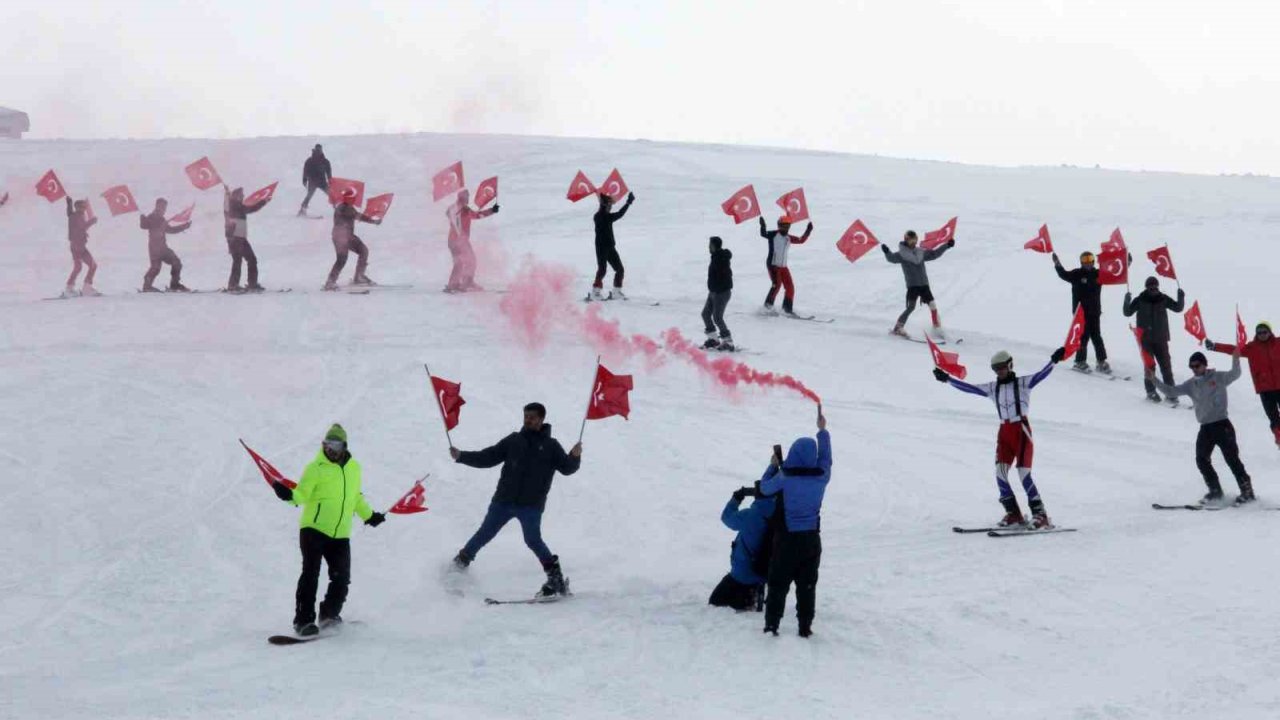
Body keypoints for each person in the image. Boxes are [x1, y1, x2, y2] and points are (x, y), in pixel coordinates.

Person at [450, 403, 584, 598]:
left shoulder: (551, 446)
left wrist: (574, 456)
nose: (527, 420)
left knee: (532, 540)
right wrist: (462, 456)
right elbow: (488, 457)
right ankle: (458, 567)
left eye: (532, 417)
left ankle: (555, 580)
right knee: (484, 534)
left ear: (541, 419)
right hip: (503, 501)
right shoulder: (514, 440)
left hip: (531, 506)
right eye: (526, 416)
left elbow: (567, 468)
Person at [269, 424, 385, 636]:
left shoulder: (354, 468)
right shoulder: (315, 468)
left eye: (335, 444)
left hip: (340, 533)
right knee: (311, 574)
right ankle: (303, 621)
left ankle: (329, 614)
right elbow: (301, 494)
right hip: (313, 529)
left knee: (341, 578)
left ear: (344, 446)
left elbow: (355, 497)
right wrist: (288, 495)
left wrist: (369, 515)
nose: (330, 448)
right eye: (327, 444)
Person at [934, 347, 1067, 529]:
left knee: (1024, 474)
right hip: (1004, 431)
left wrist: (1054, 360)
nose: (999, 371)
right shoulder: (993, 387)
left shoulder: (1023, 383)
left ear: (1010, 365)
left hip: (1021, 430)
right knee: (1000, 473)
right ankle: (1014, 514)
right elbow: (970, 388)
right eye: (996, 368)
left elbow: (1040, 375)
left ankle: (1040, 515)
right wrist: (947, 379)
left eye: (1002, 367)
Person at [755, 406, 831, 637]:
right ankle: (805, 627)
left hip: (786, 540)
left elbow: (764, 489)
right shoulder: (822, 476)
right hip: (811, 541)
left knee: (778, 584)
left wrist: (773, 465)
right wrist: (823, 431)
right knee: (807, 587)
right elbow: (826, 458)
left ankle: (771, 626)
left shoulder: (785, 478)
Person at [1148, 350, 1254, 504]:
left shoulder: (1218, 378)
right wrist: (1153, 379)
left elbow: (1235, 373)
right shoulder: (1191, 384)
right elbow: (1171, 391)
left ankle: (1247, 492)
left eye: (1197, 366)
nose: (1194, 369)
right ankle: (1215, 491)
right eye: (1191, 367)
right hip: (1205, 428)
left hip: (1222, 425)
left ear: (1204, 365)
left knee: (1232, 459)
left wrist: (1235, 358)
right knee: (1201, 459)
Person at [1206, 322, 1280, 448]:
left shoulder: (1278, 343)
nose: (1262, 335)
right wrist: (1215, 346)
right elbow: (1232, 349)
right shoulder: (1252, 348)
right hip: (1265, 389)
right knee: (1273, 417)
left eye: (1264, 332)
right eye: (1259, 332)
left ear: (1270, 332)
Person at [710, 484, 776, 612]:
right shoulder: (783, 516)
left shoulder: (751, 515)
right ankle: (754, 595)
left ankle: (747, 598)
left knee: (715, 602)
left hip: (741, 575)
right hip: (764, 574)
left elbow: (726, 517)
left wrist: (736, 498)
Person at [1123, 276, 1186, 404]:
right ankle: (1151, 392)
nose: (1153, 288)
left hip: (1161, 339)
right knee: (1149, 367)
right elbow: (1127, 312)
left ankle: (1171, 393)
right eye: (1150, 286)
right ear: (1146, 287)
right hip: (1145, 340)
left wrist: (1181, 297)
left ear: (1158, 286)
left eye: (1155, 286)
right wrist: (1126, 300)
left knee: (1166, 367)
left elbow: (1178, 308)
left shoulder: (1163, 299)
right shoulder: (1140, 299)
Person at [882, 230, 954, 338]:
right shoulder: (902, 255)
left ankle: (936, 327)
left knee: (933, 305)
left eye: (915, 240)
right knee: (911, 307)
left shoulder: (920, 252)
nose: (913, 243)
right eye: (911, 241)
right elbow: (892, 259)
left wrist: (947, 245)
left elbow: (934, 254)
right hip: (913, 285)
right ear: (906, 240)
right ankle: (898, 328)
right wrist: (887, 252)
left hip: (924, 284)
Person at [1053, 251, 1110, 373]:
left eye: (1090, 259)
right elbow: (1063, 274)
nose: (1088, 262)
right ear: (1081, 262)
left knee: (1097, 337)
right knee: (1083, 337)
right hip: (1081, 313)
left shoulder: (1098, 274)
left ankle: (1101, 362)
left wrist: (1126, 263)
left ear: (1093, 261)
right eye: (1085, 260)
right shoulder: (1076, 274)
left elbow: (1114, 275)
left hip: (1095, 312)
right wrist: (1057, 264)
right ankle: (1080, 362)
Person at [324, 188, 381, 290]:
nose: (354, 200)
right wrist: (373, 221)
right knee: (346, 258)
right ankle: (332, 281)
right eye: (352, 198)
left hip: (345, 236)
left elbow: (356, 215)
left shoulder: (344, 207)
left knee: (360, 252)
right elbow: (359, 216)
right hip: (342, 237)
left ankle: (356, 277)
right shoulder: (345, 208)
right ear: (348, 199)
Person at [444, 189, 499, 292]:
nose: (468, 199)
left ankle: (466, 282)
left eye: (468, 197)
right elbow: (450, 214)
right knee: (460, 262)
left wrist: (492, 210)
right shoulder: (455, 209)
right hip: (456, 241)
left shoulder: (465, 210)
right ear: (462, 198)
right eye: (466, 197)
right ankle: (454, 285)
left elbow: (477, 215)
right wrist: (458, 209)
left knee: (469, 261)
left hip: (460, 241)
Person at [757, 215, 813, 316]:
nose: (785, 228)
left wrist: (808, 230)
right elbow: (763, 234)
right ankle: (767, 308)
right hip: (773, 265)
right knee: (776, 285)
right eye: (783, 226)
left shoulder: (788, 238)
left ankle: (787, 309)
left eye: (787, 226)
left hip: (783, 266)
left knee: (790, 287)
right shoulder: (773, 234)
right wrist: (763, 225)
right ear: (779, 226)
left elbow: (801, 240)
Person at [589, 191, 635, 300]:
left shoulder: (605, 216)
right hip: (601, 247)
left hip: (610, 247)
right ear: (605, 205)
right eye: (609, 205)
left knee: (619, 269)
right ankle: (595, 293)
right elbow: (619, 214)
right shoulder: (600, 217)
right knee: (602, 269)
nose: (611, 207)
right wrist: (628, 203)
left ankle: (616, 292)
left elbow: (617, 214)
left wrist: (627, 203)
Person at [223, 186, 270, 292]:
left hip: (241, 238)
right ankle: (233, 285)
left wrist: (264, 201)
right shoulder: (232, 205)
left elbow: (250, 208)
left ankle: (252, 283)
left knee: (252, 259)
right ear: (236, 196)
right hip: (234, 237)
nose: (243, 196)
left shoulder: (238, 205)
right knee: (237, 260)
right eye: (241, 195)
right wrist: (226, 195)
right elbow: (228, 207)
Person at [140, 198, 192, 292]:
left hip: (162, 248)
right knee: (156, 268)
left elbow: (170, 230)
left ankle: (174, 285)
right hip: (155, 249)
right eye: (162, 207)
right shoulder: (152, 216)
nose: (164, 209)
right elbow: (144, 225)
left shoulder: (161, 218)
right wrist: (142, 218)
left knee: (176, 263)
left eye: (165, 207)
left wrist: (184, 226)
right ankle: (147, 286)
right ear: (157, 206)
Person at [701, 236, 734, 350]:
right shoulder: (715, 257)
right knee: (705, 314)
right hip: (713, 292)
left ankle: (728, 342)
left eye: (710, 245)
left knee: (717, 317)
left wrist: (719, 288)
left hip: (721, 293)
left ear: (714, 246)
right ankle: (713, 339)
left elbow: (727, 275)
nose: (708, 247)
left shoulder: (721, 259)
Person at [64, 196, 99, 297]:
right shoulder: (79, 216)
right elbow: (82, 227)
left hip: (74, 245)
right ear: (80, 208)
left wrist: (69, 203)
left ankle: (69, 288)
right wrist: (92, 221)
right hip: (79, 246)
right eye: (84, 207)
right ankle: (87, 288)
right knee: (93, 265)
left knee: (78, 267)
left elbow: (69, 213)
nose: (85, 209)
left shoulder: (73, 215)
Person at [298, 144, 332, 216]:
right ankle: (302, 210)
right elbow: (305, 170)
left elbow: (328, 172)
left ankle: (340, 210)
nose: (318, 152)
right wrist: (304, 179)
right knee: (309, 195)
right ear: (315, 150)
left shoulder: (325, 161)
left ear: (321, 151)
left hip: (322, 182)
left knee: (331, 195)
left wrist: (330, 181)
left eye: (319, 150)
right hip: (312, 181)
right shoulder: (309, 161)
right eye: (317, 150)